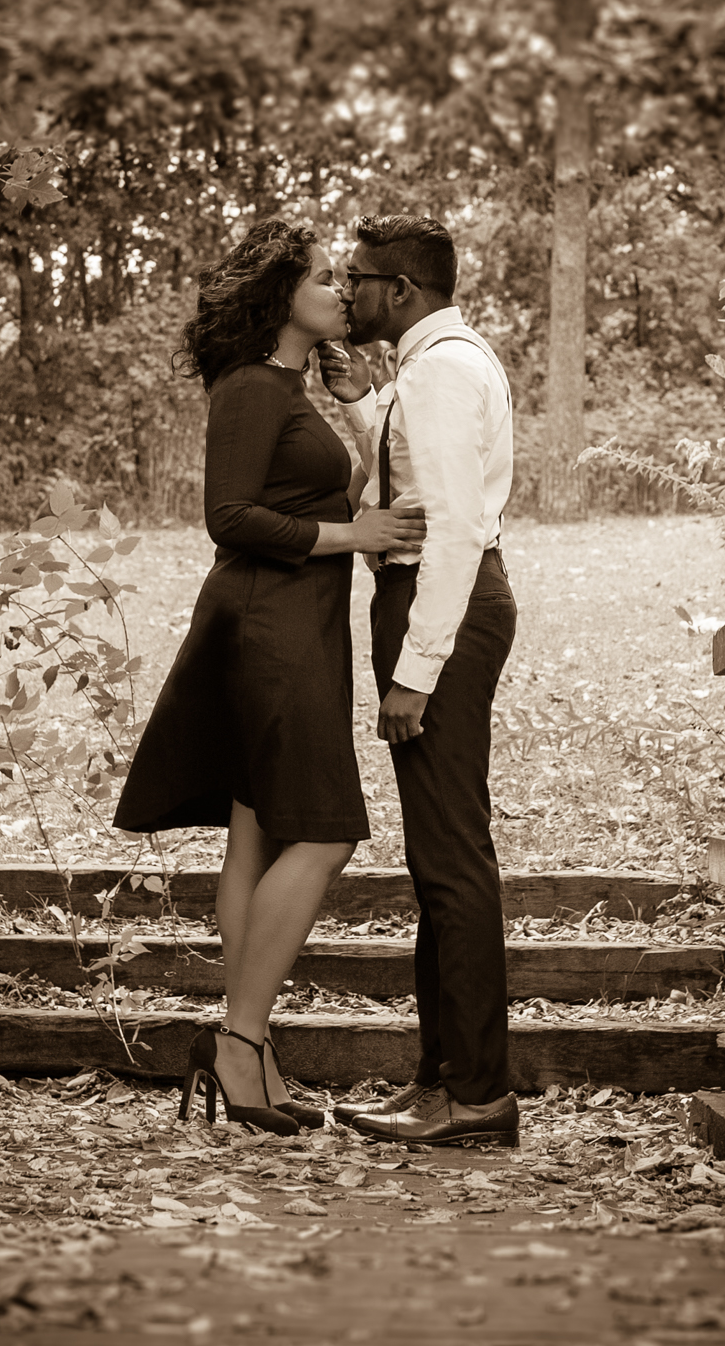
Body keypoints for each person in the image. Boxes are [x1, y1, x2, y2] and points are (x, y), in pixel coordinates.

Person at [113, 218, 427, 1137]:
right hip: (268, 628)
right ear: (280, 297)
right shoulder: (251, 387)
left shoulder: (294, 385)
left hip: (295, 626)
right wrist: (353, 537)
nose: (341, 289)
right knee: (324, 834)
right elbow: (230, 518)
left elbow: (342, 490)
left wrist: (358, 405)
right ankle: (239, 1041)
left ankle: (246, 1051)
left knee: (253, 835)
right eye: (324, 279)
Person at [318, 213, 519, 1148]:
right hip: (441, 600)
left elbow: (449, 529)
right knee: (439, 856)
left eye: (357, 278)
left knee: (451, 857)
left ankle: (477, 1095)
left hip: (441, 605)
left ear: (399, 291)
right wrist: (363, 405)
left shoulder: (439, 371)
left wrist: (416, 673)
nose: (346, 289)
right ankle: (445, 1083)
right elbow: (406, 479)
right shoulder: (433, 364)